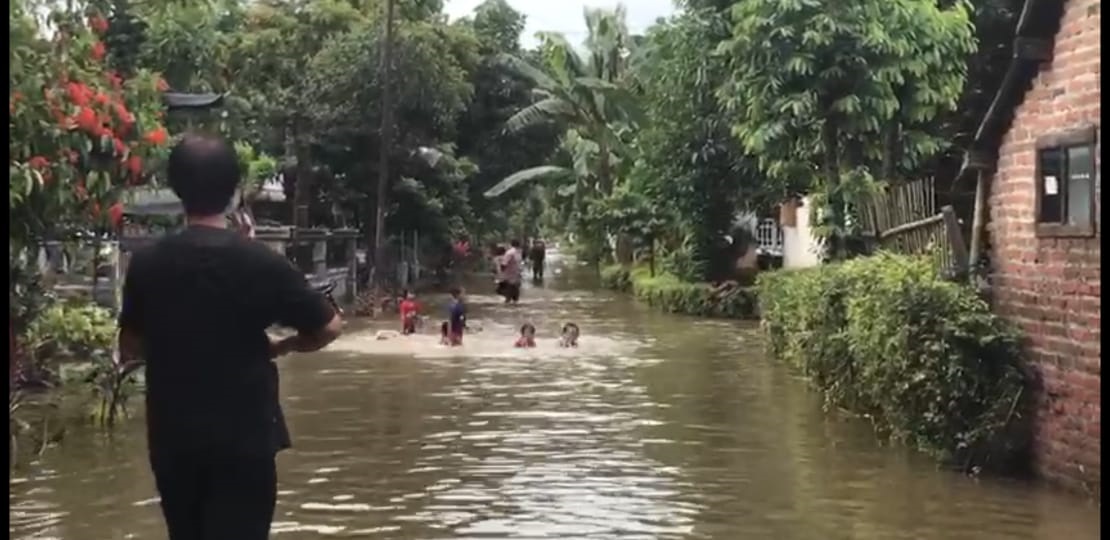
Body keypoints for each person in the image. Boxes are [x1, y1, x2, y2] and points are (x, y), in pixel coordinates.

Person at [116, 133, 343, 540]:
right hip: (246, 440)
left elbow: (130, 348)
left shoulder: (147, 264)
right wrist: (283, 346)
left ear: (177, 188)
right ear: (234, 190)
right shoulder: (260, 262)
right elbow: (328, 326)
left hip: (174, 438)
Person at [499, 240, 523, 304]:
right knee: (515, 290)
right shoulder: (518, 253)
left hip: (510, 274)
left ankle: (508, 302)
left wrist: (501, 273)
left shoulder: (509, 252)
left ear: (511, 244)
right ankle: (514, 302)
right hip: (516, 273)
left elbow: (504, 264)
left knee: (509, 289)